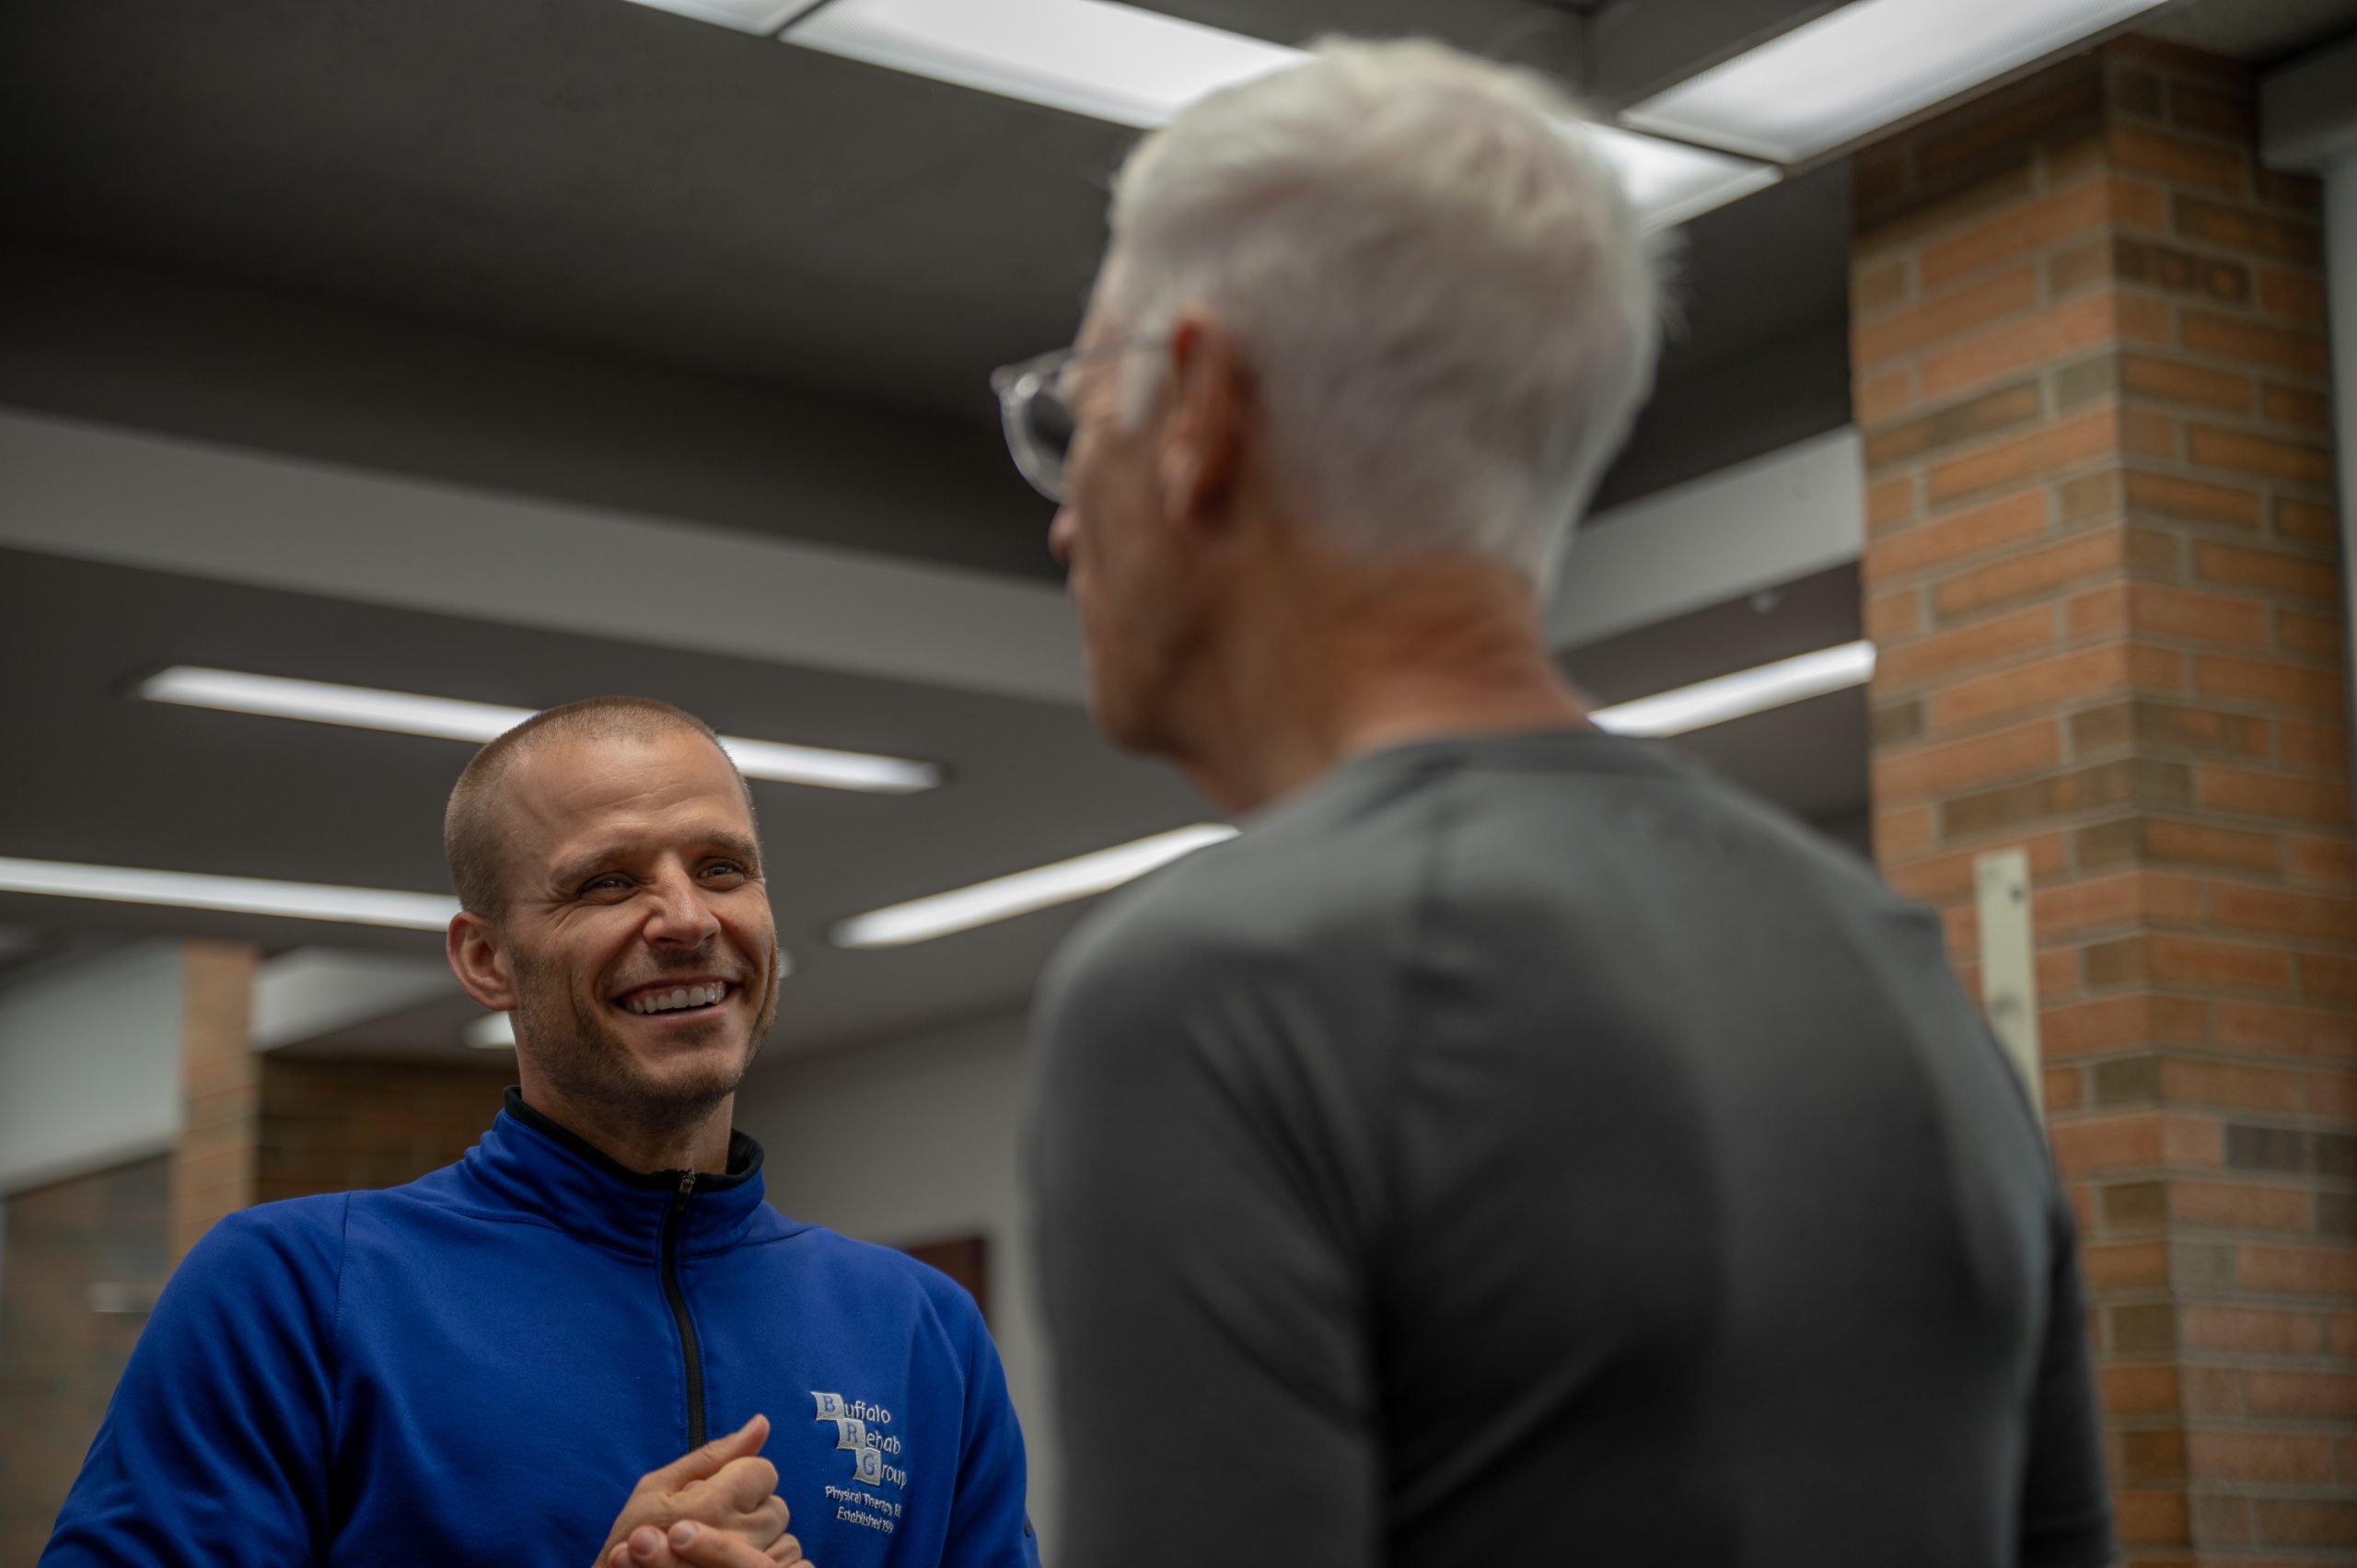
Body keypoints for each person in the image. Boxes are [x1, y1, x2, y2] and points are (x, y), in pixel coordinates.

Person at [1009, 38, 2111, 1568]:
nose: (1067, 516)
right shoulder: (1903, 976)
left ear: (1196, 406)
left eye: (1082, 409)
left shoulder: (1218, 991)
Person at [44, 697, 1040, 1568]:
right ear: (486, 959)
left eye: (722, 866)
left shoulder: (918, 1327)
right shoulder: (298, 1290)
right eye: (608, 882)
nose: (686, 916)